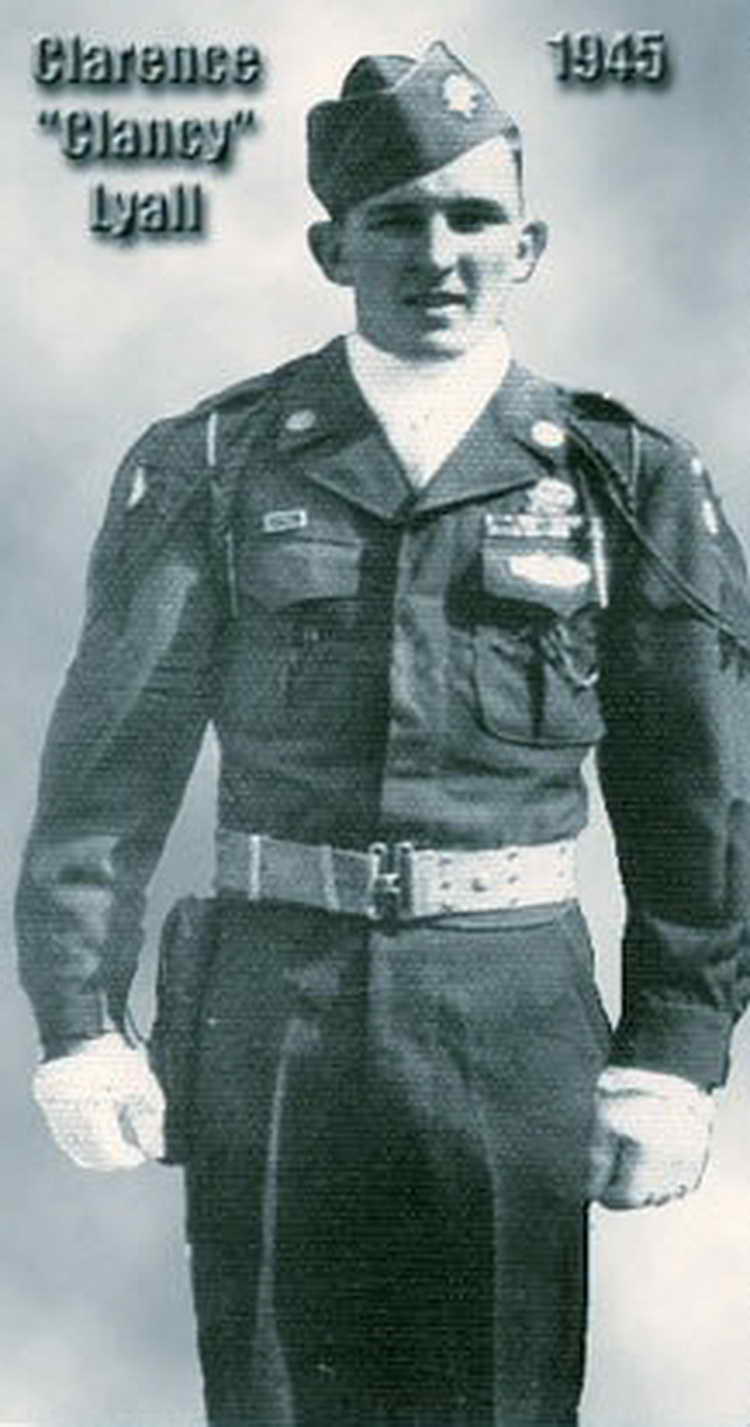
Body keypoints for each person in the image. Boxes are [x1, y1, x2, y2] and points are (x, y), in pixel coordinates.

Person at [15, 39, 750, 1427]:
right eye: (398, 220)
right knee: (277, 1401)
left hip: (511, 1015)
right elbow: (109, 774)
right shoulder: (217, 462)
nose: (440, 255)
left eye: (474, 218)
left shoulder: (623, 479)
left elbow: (699, 797)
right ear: (330, 247)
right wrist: (80, 1023)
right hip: (271, 1016)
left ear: (527, 245)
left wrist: (673, 1051)